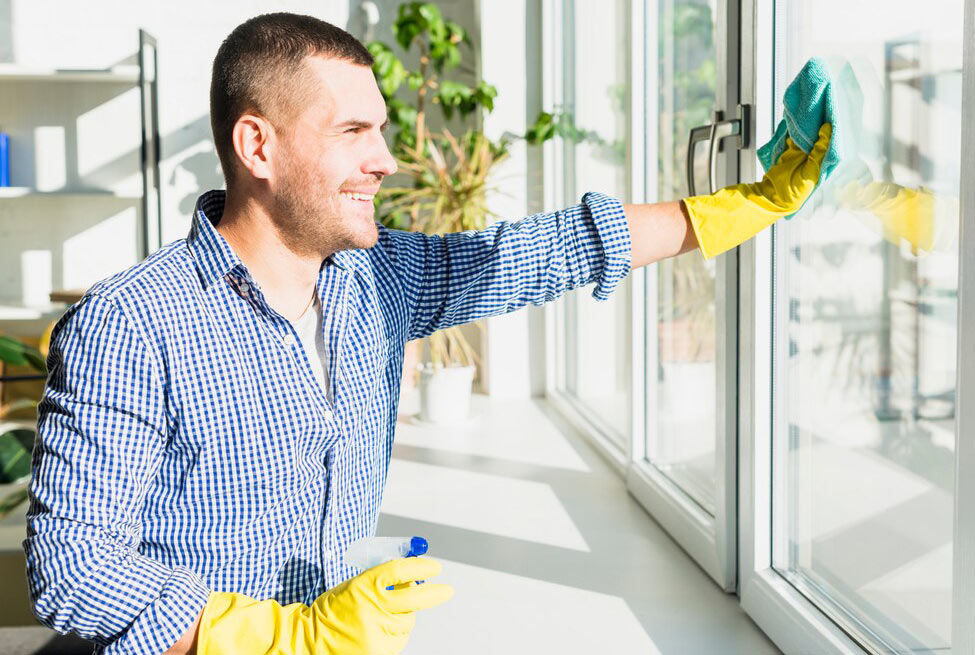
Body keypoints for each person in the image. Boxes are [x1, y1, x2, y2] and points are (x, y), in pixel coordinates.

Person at [23, 12, 830, 655]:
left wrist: (749, 203)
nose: (387, 160)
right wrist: (275, 638)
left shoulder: (376, 282)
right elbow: (73, 569)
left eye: (380, 131)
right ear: (257, 145)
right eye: (353, 132)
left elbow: (542, 252)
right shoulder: (130, 324)